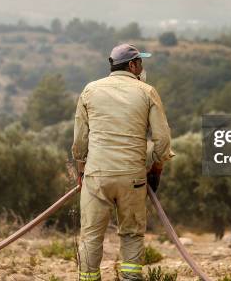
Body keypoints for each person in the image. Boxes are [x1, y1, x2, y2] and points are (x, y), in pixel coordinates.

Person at [72, 43, 173, 281]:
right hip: (133, 178)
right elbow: (162, 139)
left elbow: (79, 140)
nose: (142, 68)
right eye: (140, 63)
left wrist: (81, 170)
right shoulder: (147, 91)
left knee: (91, 236)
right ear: (132, 65)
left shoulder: (90, 90)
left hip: (97, 176)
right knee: (131, 234)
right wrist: (156, 169)